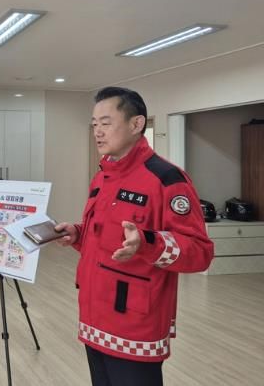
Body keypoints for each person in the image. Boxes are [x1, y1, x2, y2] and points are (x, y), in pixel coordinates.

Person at [55, 87, 214, 386]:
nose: (97, 131)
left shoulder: (166, 179)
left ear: (136, 124)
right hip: (94, 317)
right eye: (94, 124)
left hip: (134, 325)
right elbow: (105, 237)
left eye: (106, 123)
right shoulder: (102, 176)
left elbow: (200, 252)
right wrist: (77, 234)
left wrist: (148, 244)